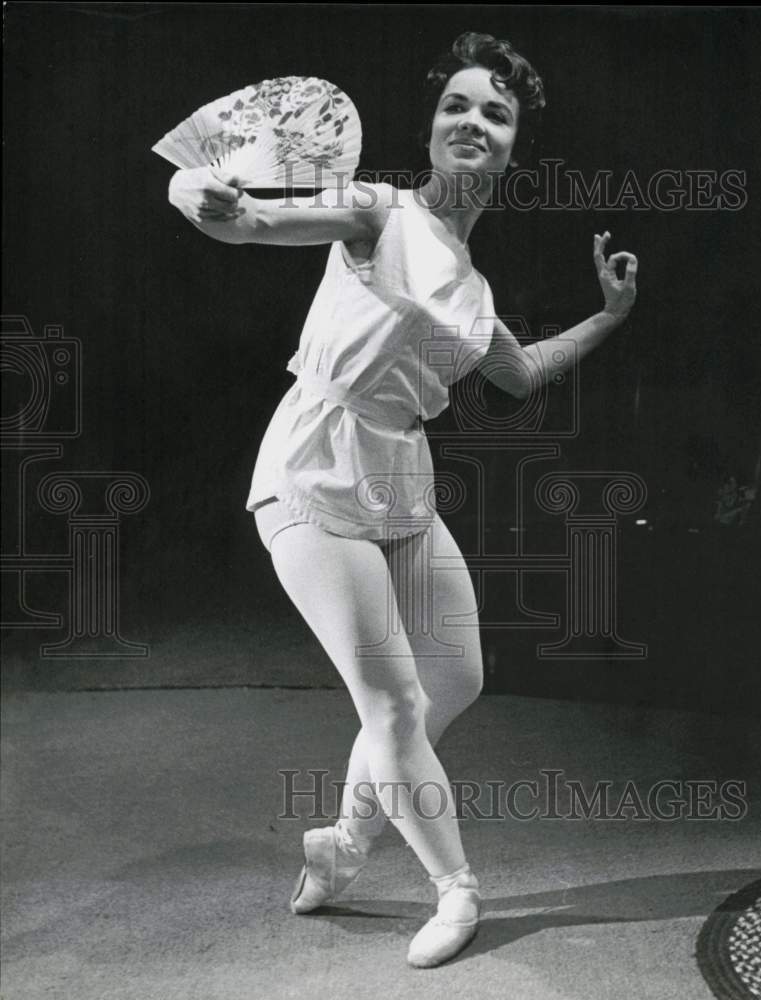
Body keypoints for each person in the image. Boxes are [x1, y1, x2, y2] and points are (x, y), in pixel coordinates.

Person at [166, 31, 637, 968]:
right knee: (391, 701)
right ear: (430, 128)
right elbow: (249, 221)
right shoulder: (379, 212)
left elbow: (521, 373)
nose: (474, 121)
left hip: (402, 481)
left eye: (495, 114)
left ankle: (341, 843)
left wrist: (610, 315)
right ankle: (455, 888)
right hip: (314, 466)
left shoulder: (472, 284)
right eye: (457, 105)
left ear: (512, 147)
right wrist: (194, 190)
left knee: (455, 679)